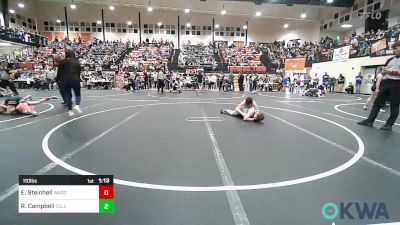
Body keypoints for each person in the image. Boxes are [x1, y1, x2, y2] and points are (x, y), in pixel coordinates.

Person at [357, 41, 400, 131]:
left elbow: (390, 71)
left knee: (394, 105)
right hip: (386, 82)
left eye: (396, 49)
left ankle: (389, 125)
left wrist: (390, 72)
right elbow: (384, 70)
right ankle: (370, 120)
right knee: (377, 103)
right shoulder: (390, 59)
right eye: (393, 49)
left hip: (397, 84)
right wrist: (383, 73)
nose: (394, 51)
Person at [56, 49, 82, 116]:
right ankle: (77, 105)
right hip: (75, 79)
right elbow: (79, 72)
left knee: (68, 95)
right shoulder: (76, 62)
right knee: (77, 93)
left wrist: (57, 80)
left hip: (64, 80)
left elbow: (59, 73)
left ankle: (70, 110)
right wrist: (79, 79)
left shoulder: (61, 62)